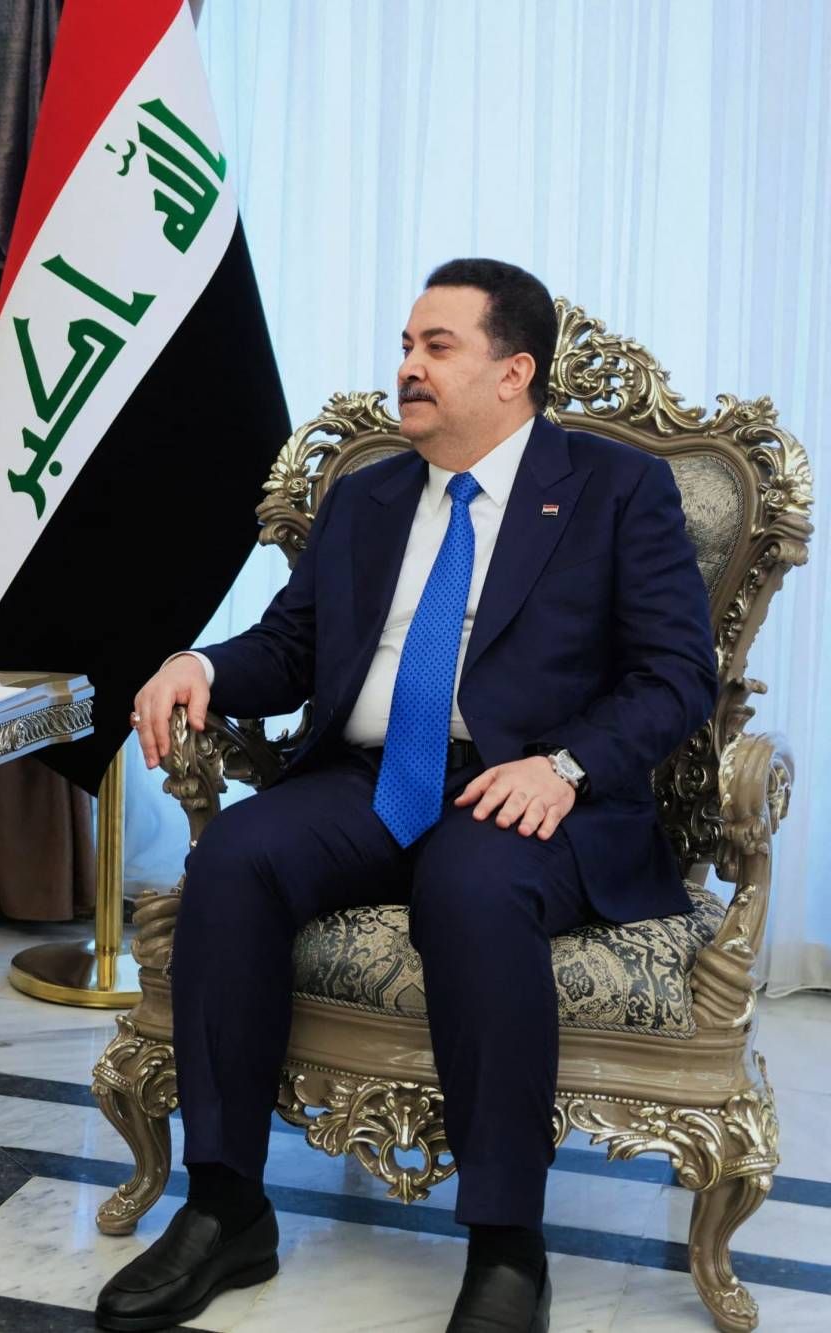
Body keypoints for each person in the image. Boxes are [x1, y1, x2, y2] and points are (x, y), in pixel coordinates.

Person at [97, 259, 717, 1333]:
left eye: (437, 346)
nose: (407, 368)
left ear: (513, 372)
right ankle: (225, 1207)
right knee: (233, 859)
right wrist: (198, 663)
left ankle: (507, 1247)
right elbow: (290, 647)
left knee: (472, 890)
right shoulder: (368, 495)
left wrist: (565, 766)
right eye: (405, 345)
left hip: (528, 787)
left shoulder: (615, 489)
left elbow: (675, 676)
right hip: (372, 777)